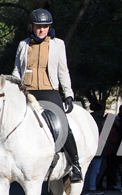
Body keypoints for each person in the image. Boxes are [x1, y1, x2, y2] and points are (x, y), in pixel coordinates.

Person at [12, 9, 83, 182]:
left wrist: (68, 94)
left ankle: (75, 166)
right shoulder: (23, 45)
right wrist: (13, 89)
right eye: (38, 26)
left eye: (45, 26)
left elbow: (63, 71)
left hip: (49, 90)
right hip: (27, 92)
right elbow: (16, 69)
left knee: (63, 125)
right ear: (32, 26)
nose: (41, 29)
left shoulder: (58, 44)